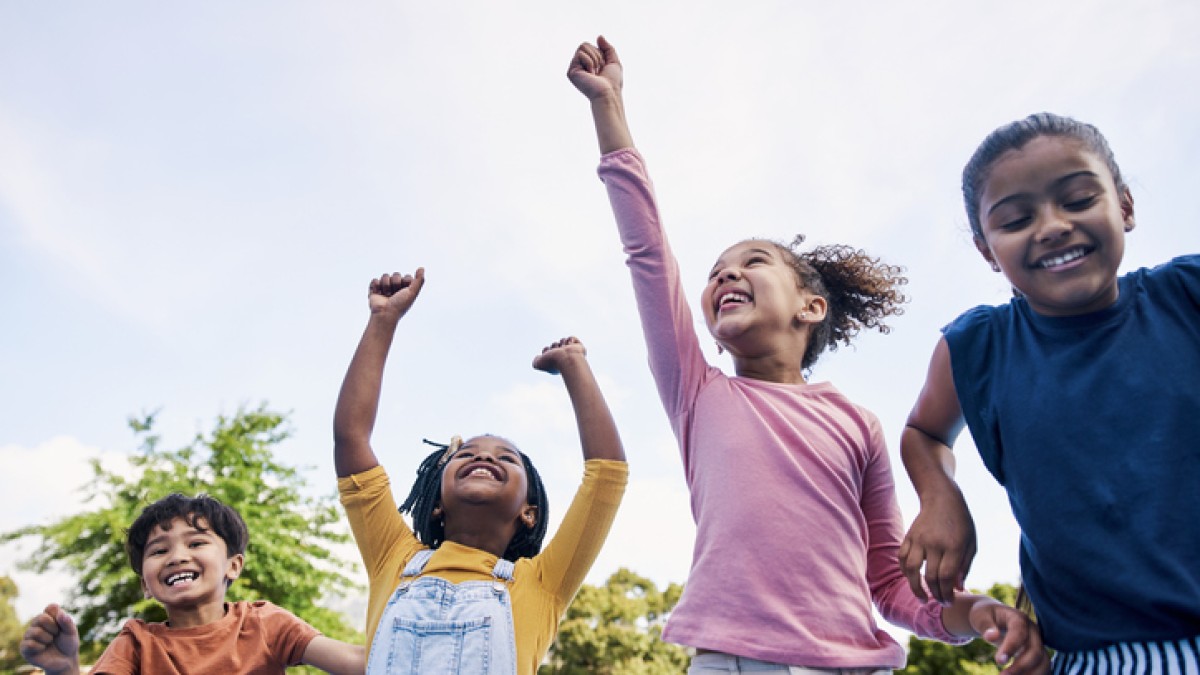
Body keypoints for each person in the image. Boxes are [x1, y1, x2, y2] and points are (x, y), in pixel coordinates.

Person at [568, 36, 1048, 674]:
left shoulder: (858, 425)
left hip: (854, 663)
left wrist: (974, 612)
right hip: (734, 661)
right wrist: (610, 109)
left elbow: (890, 583)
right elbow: (649, 257)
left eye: (752, 262)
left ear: (810, 307)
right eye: (716, 273)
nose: (724, 276)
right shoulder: (699, 392)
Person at [898, 112, 1200, 672]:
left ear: (1125, 206)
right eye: (1016, 219)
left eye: (1080, 199)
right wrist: (940, 498)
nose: (1052, 226)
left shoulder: (1187, 295)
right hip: (1102, 655)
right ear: (987, 250)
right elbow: (924, 431)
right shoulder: (978, 347)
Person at [333, 269, 628, 675]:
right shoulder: (393, 557)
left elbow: (606, 477)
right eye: (467, 453)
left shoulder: (543, 582)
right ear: (436, 503)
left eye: (507, 459)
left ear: (530, 511)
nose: (485, 458)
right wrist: (383, 321)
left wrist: (574, 365)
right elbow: (351, 438)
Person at [19, 493, 364, 675]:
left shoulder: (265, 624)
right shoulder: (137, 643)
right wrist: (64, 669)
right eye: (159, 550)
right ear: (146, 586)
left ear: (234, 564)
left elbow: (353, 662)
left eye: (196, 543)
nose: (176, 556)